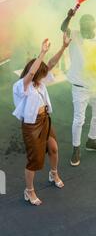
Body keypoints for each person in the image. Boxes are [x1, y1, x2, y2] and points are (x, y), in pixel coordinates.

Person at [13, 34, 71, 206]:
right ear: (36, 73)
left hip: (45, 119)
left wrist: (63, 47)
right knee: (35, 160)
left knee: (54, 148)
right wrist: (42, 53)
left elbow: (50, 65)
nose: (46, 74)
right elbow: (31, 72)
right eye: (42, 72)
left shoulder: (40, 81)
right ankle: (28, 190)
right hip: (32, 126)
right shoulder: (22, 85)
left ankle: (53, 173)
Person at [61, 10, 96, 167]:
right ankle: (76, 149)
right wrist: (69, 17)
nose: (84, 29)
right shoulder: (74, 35)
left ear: (94, 26)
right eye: (82, 26)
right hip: (80, 87)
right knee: (78, 120)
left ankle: (91, 141)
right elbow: (63, 28)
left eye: (87, 27)